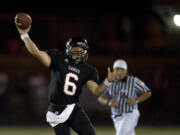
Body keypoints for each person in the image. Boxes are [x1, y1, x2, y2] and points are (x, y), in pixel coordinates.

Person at [15, 22, 116, 135]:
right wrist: (24, 35)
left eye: (82, 50)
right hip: (56, 110)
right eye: (75, 50)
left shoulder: (89, 70)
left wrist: (107, 81)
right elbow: (36, 53)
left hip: (73, 108)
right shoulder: (58, 58)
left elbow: (97, 91)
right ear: (68, 50)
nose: (79, 53)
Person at [98, 59, 151, 135]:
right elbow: (100, 97)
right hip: (116, 116)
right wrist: (108, 102)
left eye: (122, 69)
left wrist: (136, 100)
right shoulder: (108, 81)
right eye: (117, 69)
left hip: (130, 114)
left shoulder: (134, 81)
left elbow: (147, 92)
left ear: (126, 71)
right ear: (113, 70)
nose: (119, 72)